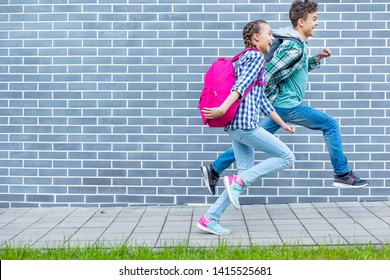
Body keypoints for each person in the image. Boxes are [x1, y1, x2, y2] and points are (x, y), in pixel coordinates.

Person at [201, 0, 368, 198]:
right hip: (287, 105)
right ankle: (342, 173)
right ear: (301, 21)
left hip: (280, 106)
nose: (317, 23)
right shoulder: (293, 47)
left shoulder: (299, 46)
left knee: (251, 139)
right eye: (314, 19)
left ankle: (215, 169)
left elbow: (294, 68)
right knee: (330, 125)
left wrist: (317, 59)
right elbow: (267, 73)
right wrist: (263, 98)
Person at [197, 19, 296, 236]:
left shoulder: (245, 58)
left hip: (236, 127)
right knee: (287, 157)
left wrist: (283, 124)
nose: (273, 38)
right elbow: (239, 87)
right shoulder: (255, 56)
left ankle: (209, 218)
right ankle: (235, 182)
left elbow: (261, 101)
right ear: (256, 37)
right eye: (269, 34)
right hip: (245, 126)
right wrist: (222, 108)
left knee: (242, 177)